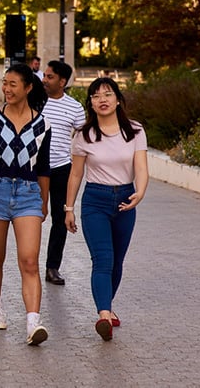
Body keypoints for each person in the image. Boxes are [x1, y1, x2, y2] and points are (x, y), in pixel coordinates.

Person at [0, 63, 52, 346]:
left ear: (28, 87)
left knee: (29, 260)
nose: (6, 88)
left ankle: (32, 322)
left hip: (29, 195)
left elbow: (43, 168)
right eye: (5, 83)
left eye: (13, 84)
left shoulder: (43, 124)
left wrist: (44, 201)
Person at [64, 77, 148, 342]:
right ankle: (103, 315)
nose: (102, 99)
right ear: (90, 102)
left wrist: (140, 193)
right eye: (96, 96)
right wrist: (69, 208)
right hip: (95, 201)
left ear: (118, 99)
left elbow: (142, 168)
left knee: (117, 261)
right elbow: (76, 175)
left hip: (125, 198)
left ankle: (107, 307)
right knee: (103, 259)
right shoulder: (84, 134)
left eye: (107, 94)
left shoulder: (134, 130)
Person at [41, 61, 85, 286]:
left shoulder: (75, 108)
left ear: (62, 81)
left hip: (61, 169)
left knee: (60, 219)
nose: (44, 80)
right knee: (31, 216)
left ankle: (52, 267)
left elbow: (83, 138)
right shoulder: (33, 101)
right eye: (44, 75)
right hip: (33, 171)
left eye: (49, 77)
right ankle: (27, 263)